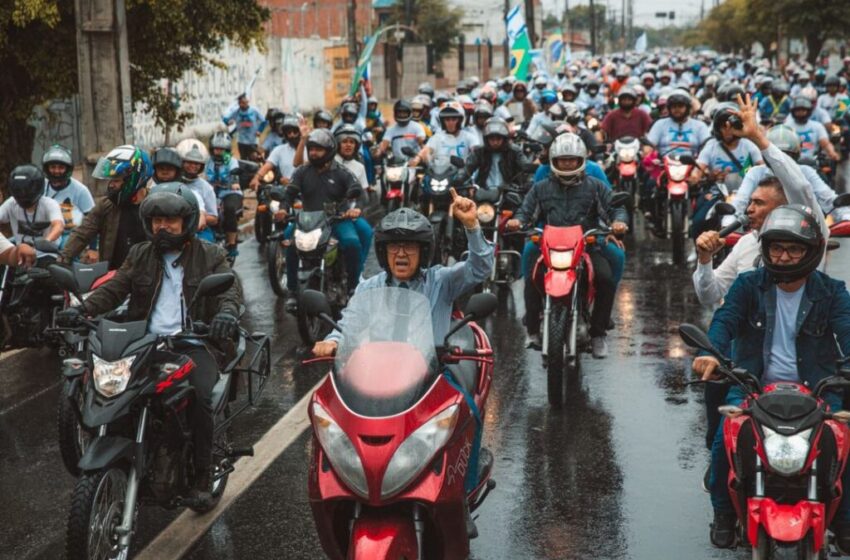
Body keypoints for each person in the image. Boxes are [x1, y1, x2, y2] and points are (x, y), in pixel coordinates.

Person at [59, 182, 243, 510]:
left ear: (186, 222)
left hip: (193, 343)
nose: (162, 226)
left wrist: (226, 316)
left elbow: (229, 291)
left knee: (199, 397)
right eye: (157, 220)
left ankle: (202, 476)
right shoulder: (140, 254)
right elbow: (115, 288)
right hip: (144, 343)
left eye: (170, 220)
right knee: (116, 390)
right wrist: (83, 309)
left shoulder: (210, 255)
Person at [693, 204, 850, 551]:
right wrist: (710, 354)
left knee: (842, 442)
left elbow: (848, 330)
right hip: (752, 385)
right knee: (725, 440)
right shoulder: (749, 284)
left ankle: (845, 520)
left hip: (817, 387)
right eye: (776, 247)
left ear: (811, 251)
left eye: (793, 248)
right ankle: (722, 512)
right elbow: (725, 321)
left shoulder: (832, 291)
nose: (783, 256)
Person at [506, 133, 628, 357]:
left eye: (572, 159)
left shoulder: (595, 186)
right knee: (533, 278)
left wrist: (618, 222)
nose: (568, 163)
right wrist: (518, 221)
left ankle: (598, 333)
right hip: (551, 247)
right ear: (554, 160)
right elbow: (526, 211)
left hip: (587, 247)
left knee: (605, 279)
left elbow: (613, 208)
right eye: (563, 159)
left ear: (581, 160)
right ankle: (532, 329)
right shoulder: (541, 188)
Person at [279, 130, 366, 308]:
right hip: (307, 220)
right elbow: (289, 194)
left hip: (337, 220)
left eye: (318, 149)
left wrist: (356, 209)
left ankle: (353, 287)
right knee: (289, 241)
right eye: (311, 149)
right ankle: (293, 291)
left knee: (352, 243)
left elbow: (360, 193)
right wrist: (282, 209)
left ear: (329, 151)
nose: (313, 153)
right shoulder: (302, 171)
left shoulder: (342, 172)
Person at [61, 145, 152, 269]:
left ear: (133, 179)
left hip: (148, 277)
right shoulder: (106, 205)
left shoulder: (155, 206)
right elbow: (82, 233)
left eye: (116, 180)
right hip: (114, 278)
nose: (111, 185)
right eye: (111, 180)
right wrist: (62, 260)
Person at [2, 165, 63, 262]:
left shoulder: (49, 204)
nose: (23, 193)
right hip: (20, 254)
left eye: (26, 190)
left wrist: (46, 242)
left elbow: (58, 226)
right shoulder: (11, 203)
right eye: (19, 190)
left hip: (45, 254)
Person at [41, 145, 95, 248]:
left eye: (61, 167)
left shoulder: (80, 190)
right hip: (46, 233)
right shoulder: (41, 186)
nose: (56, 171)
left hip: (70, 235)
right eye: (53, 167)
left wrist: (93, 248)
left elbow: (92, 220)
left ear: (68, 169)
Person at [458, 117, 531, 191]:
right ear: (486, 139)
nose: (495, 142)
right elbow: (467, 168)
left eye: (498, 139)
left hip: (509, 193)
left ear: (504, 138)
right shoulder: (479, 151)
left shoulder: (514, 151)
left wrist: (528, 183)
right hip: (483, 193)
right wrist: (458, 180)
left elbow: (526, 167)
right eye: (492, 139)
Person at [409, 101, 479, 169]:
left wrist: (470, 160)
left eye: (454, 119)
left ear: (460, 120)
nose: (450, 122)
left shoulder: (469, 137)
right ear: (442, 121)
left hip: (462, 175)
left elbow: (476, 151)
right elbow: (427, 149)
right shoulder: (437, 137)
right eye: (447, 119)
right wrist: (417, 159)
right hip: (439, 174)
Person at [206, 131, 243, 258]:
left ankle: (232, 244)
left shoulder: (231, 161)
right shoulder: (208, 162)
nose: (218, 152)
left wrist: (234, 182)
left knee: (229, 209)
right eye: (216, 149)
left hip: (230, 192)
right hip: (213, 193)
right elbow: (205, 176)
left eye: (221, 149)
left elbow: (234, 174)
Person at [176, 139, 219, 244]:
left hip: (199, 230)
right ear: (181, 162)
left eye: (197, 163)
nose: (193, 166)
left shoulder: (206, 187)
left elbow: (214, 218)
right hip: (173, 226)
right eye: (189, 162)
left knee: (205, 247)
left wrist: (196, 217)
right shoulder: (172, 182)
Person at [250, 115, 307, 189]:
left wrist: (292, 182)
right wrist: (256, 178)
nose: (292, 135)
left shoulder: (311, 149)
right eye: (289, 132)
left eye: (295, 131)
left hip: (308, 191)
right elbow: (267, 166)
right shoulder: (279, 150)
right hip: (288, 192)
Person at [784, 97, 840, 162]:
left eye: (803, 110)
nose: (800, 113)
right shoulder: (787, 126)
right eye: (798, 110)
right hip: (791, 162)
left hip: (812, 162)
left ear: (808, 111)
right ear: (793, 112)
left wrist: (832, 153)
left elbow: (825, 143)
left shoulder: (817, 126)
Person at [222, 94, 266, 160]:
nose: (242, 104)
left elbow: (264, 121)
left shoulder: (254, 110)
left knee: (253, 158)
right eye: (240, 103)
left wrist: (260, 130)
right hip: (241, 141)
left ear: (247, 102)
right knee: (243, 160)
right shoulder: (236, 111)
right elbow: (225, 118)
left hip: (252, 140)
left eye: (244, 102)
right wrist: (227, 123)